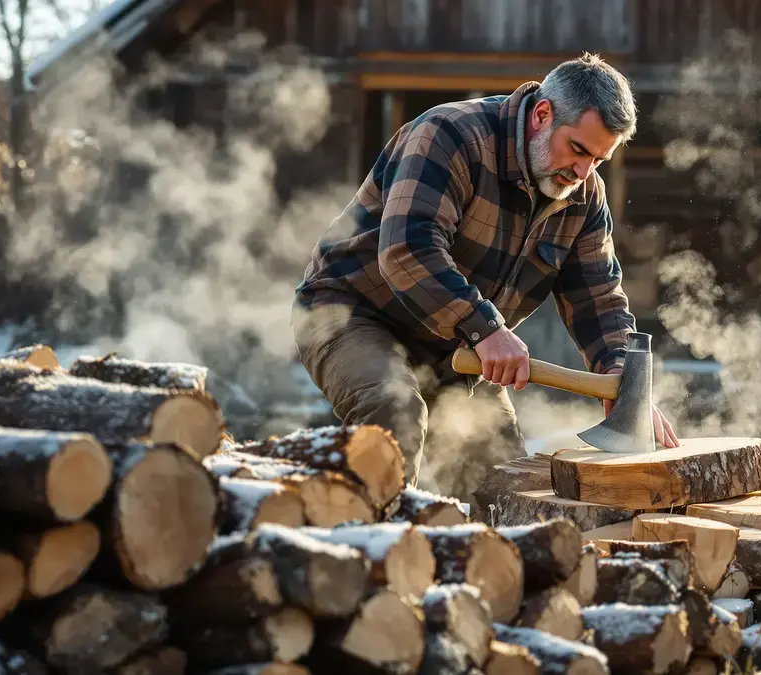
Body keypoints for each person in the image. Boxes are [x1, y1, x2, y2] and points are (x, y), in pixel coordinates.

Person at [291, 53, 679, 508]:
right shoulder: (449, 135)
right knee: (393, 409)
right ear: (542, 114)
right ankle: (378, 559)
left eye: (598, 159)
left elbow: (597, 296)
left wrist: (619, 375)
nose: (583, 173)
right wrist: (486, 329)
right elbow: (407, 249)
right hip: (352, 313)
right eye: (577, 150)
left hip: (460, 345)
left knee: (500, 483)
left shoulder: (584, 195)